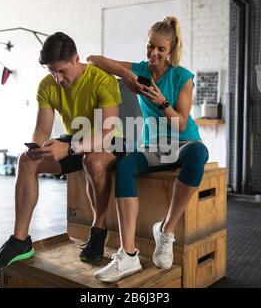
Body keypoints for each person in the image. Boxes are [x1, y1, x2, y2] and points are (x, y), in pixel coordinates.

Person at [0, 32, 123, 270]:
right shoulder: (47, 85)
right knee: (25, 161)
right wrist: (37, 149)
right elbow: (41, 129)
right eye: (51, 72)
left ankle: (99, 229)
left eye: (61, 71)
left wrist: (70, 147)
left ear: (76, 59)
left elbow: (106, 133)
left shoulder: (102, 80)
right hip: (73, 139)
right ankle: (20, 241)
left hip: (107, 140)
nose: (57, 78)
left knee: (93, 161)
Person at [87, 16, 209, 282]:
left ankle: (165, 231)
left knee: (199, 154)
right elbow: (93, 59)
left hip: (183, 143)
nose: (154, 53)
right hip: (153, 145)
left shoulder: (182, 77)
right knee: (125, 164)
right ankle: (128, 255)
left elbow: (181, 124)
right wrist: (128, 76)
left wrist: (163, 103)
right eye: (150, 46)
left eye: (160, 49)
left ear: (171, 50)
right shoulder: (141, 69)